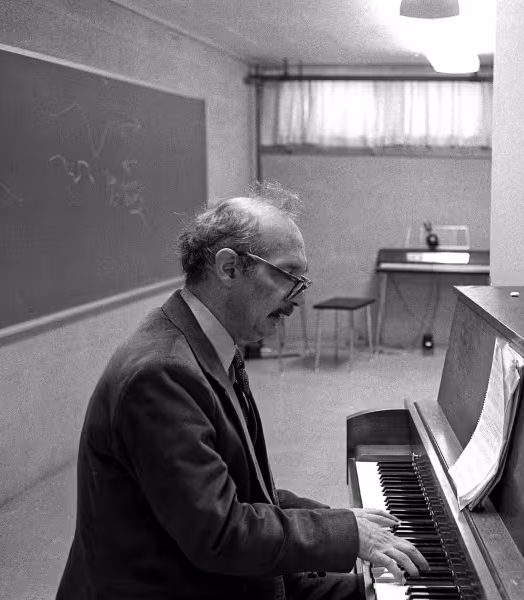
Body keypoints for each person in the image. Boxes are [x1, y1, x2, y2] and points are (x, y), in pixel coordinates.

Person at [57, 182, 427, 599]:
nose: (297, 298)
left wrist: (341, 521)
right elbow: (220, 533)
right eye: (288, 275)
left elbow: (247, 494)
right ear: (229, 268)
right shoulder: (161, 374)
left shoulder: (209, 346)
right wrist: (343, 533)